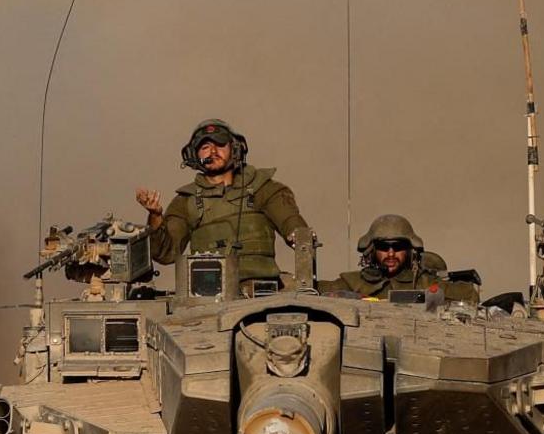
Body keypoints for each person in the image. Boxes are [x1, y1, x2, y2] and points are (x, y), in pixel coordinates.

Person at [136, 119, 312, 292]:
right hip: (209, 294)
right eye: (205, 148)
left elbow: (293, 225)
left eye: (219, 145)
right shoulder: (186, 200)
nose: (212, 151)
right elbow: (166, 252)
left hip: (262, 291)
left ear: (235, 149)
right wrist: (155, 216)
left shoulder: (262, 188)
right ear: (194, 156)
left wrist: (297, 236)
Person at [318, 214, 480, 301]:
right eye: (383, 247)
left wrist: (422, 300)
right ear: (372, 250)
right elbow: (312, 291)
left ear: (410, 250)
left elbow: (469, 295)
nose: (390, 254)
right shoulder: (353, 283)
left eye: (397, 247)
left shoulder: (424, 282)